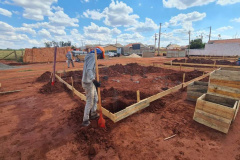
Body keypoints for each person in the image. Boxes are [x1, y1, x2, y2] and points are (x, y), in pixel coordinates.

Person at [81, 49, 102, 126]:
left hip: (91, 82)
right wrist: (94, 80)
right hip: (88, 82)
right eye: (99, 56)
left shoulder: (90, 57)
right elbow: (89, 70)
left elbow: (92, 70)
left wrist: (95, 81)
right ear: (98, 54)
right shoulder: (93, 57)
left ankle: (93, 113)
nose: (99, 58)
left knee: (95, 98)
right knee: (90, 101)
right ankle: (85, 120)